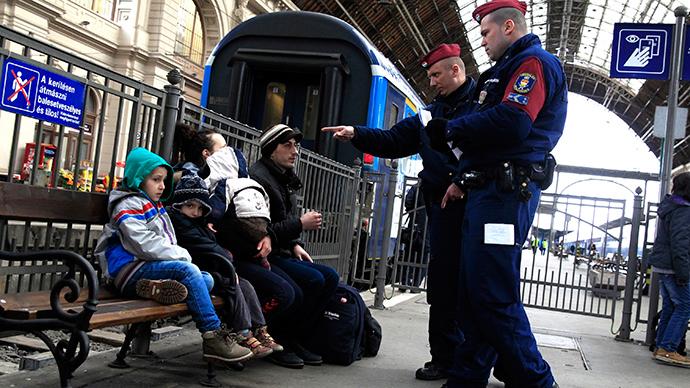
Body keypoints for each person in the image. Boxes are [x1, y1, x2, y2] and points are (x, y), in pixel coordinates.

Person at [425, 1, 567, 386]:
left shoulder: (532, 65)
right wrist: (463, 178)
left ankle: (538, 382)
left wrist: (453, 128)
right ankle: (466, 378)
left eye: (486, 33)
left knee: (493, 295)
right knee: (475, 294)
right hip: (488, 190)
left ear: (508, 27)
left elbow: (513, 123)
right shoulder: (503, 71)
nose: (482, 41)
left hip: (506, 195)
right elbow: (491, 141)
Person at [322, 43, 475, 381]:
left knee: (478, 285)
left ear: (456, 70)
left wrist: (465, 179)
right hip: (442, 207)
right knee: (444, 283)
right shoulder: (427, 115)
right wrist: (356, 134)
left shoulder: (484, 103)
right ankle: (445, 357)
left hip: (477, 205)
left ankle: (480, 358)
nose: (431, 82)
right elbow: (393, 140)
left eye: (436, 74)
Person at [94, 147, 253, 365]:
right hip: (126, 270)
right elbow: (142, 244)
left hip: (146, 269)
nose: (162, 186)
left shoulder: (155, 205)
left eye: (164, 180)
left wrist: (178, 257)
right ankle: (213, 335)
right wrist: (181, 255)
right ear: (139, 178)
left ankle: (154, 287)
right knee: (189, 271)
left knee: (204, 278)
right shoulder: (127, 203)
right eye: (156, 180)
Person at [173, 123, 302, 368]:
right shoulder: (198, 188)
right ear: (208, 156)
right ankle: (242, 333)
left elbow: (259, 218)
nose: (230, 152)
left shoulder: (229, 185)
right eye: (223, 148)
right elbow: (212, 232)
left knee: (304, 284)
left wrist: (268, 236)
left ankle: (258, 331)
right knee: (281, 291)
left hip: (237, 257)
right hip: (222, 262)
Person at [250, 124, 339, 368]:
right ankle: (281, 338)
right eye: (287, 145)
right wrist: (300, 224)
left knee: (330, 277)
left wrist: (296, 244)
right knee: (310, 282)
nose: (295, 151)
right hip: (265, 254)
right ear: (271, 150)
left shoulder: (282, 175)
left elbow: (282, 222)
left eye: (296, 145)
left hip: (283, 249)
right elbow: (262, 231)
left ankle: (297, 338)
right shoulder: (259, 178)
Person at [168, 171, 282, 358]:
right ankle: (243, 333)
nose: (195, 212)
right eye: (190, 206)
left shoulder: (199, 222)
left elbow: (211, 245)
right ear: (179, 204)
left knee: (246, 285)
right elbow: (205, 246)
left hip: (208, 267)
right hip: (199, 271)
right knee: (233, 285)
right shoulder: (180, 221)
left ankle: (260, 328)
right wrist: (226, 261)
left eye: (200, 207)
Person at [648, 172, 690, 367]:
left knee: (670, 308)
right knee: (683, 307)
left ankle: (660, 347)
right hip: (674, 268)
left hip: (664, 266)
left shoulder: (671, 206)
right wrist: (683, 273)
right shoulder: (683, 210)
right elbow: (680, 244)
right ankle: (668, 349)